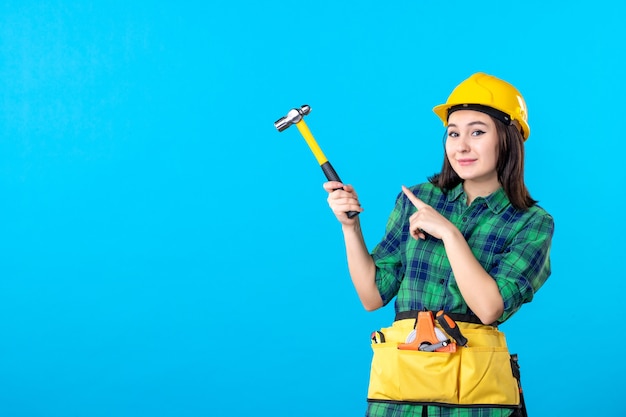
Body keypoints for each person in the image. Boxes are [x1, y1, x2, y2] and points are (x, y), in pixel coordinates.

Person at [323, 72, 554, 417]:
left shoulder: (531, 223)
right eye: (453, 133)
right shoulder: (418, 199)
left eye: (477, 132)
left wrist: (450, 234)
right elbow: (373, 296)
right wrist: (350, 227)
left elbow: (490, 307)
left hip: (474, 402)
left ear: (508, 139)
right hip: (401, 397)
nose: (461, 146)